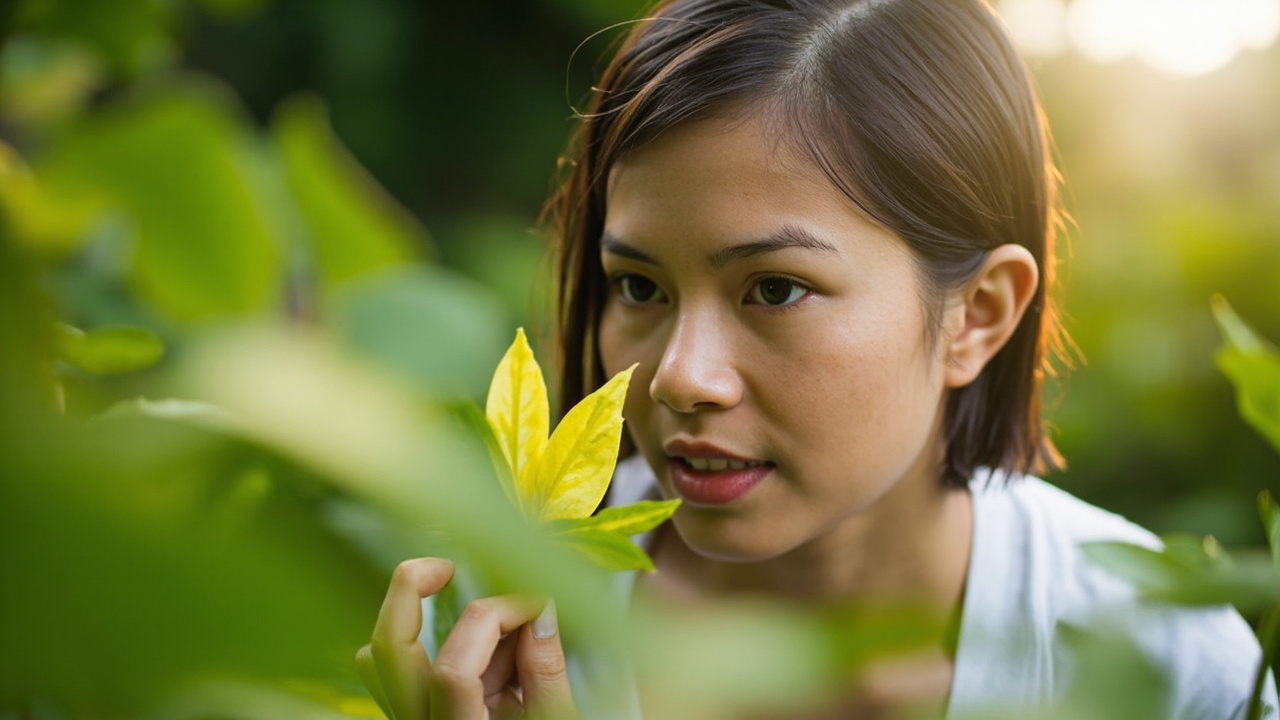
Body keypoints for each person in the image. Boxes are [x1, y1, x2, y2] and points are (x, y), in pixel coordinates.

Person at [355, 0, 1277, 718]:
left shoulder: (1168, 660)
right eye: (638, 287)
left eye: (774, 289)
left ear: (977, 317)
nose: (680, 376)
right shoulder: (493, 639)